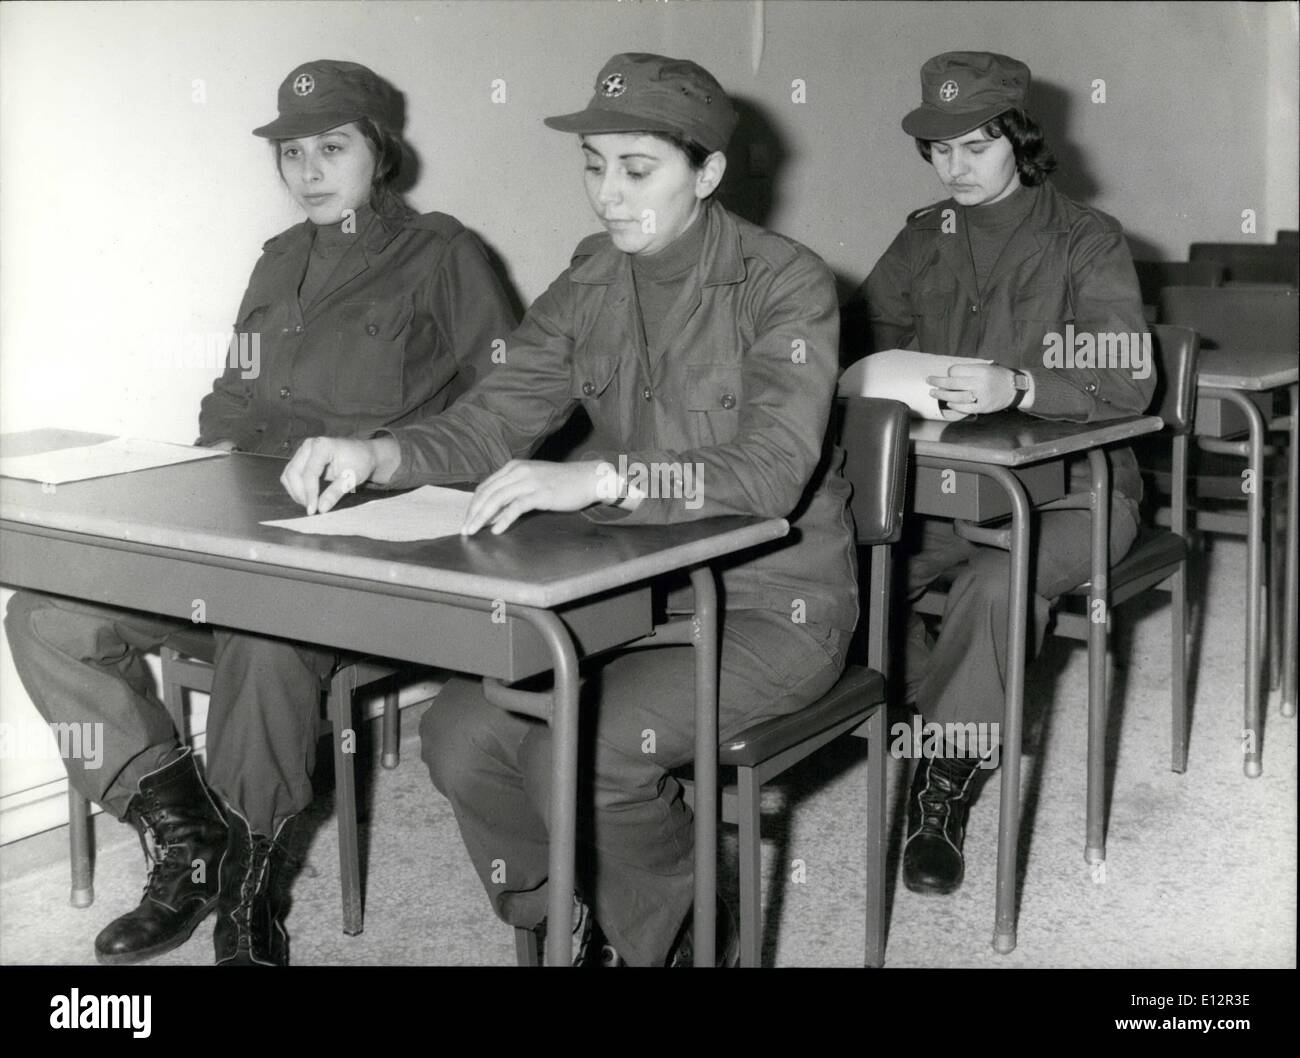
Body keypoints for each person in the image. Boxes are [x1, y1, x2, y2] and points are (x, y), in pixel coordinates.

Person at [279, 52, 858, 967]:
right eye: (594, 167)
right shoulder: (593, 275)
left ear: (705, 173)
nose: (608, 196)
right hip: (638, 591)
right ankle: (578, 917)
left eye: (637, 170)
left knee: (594, 753)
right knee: (460, 733)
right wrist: (378, 452)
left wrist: (601, 480)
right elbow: (496, 417)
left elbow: (773, 471)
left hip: (770, 604)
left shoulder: (786, 280)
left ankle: (672, 942)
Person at [4, 59, 517, 966]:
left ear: (379, 152)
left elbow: (506, 414)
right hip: (248, 532)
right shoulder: (277, 261)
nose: (308, 169)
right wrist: (203, 474)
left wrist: (394, 469)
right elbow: (232, 400)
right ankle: (190, 839)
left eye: (332, 146)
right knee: (46, 612)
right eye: (291, 152)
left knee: (266, 637)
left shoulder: (444, 254)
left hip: (368, 544)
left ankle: (250, 892)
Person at [845, 51, 1156, 895]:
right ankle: (954, 701)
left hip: (1081, 491)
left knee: (994, 581)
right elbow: (862, 338)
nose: (955, 169)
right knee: (851, 567)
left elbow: (1129, 379)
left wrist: (1018, 384)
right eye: (939, 150)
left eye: (975, 147)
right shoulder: (923, 236)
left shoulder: (1087, 239)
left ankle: (942, 784)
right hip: (951, 485)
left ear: (1019, 140)